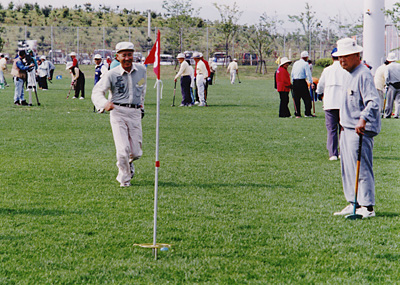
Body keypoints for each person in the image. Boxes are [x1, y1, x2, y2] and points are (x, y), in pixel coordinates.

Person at [332, 38, 381, 218]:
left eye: (345, 57)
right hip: (346, 129)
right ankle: (354, 202)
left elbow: (373, 102)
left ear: (356, 55)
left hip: (359, 130)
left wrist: (363, 118)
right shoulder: (349, 74)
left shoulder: (363, 74)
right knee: (348, 168)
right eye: (339, 57)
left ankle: (367, 206)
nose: (342, 61)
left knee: (362, 169)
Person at [91, 42, 146, 187]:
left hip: (135, 112)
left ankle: (129, 164)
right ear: (118, 57)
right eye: (124, 55)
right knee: (122, 150)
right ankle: (124, 180)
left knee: (135, 153)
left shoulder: (141, 71)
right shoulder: (112, 74)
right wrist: (104, 104)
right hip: (118, 112)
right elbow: (97, 91)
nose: (127, 58)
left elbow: (141, 89)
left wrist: (142, 107)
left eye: (130, 54)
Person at [316, 48, 349, 161]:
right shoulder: (345, 70)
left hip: (330, 102)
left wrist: (319, 93)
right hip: (343, 103)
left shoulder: (327, 70)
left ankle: (333, 154)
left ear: (331, 57)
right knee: (343, 129)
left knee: (331, 129)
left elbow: (320, 85)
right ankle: (342, 152)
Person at [291, 51, 314, 118]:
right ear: (306, 57)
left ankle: (297, 114)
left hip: (295, 82)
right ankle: (307, 113)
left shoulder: (295, 63)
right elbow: (308, 74)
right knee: (307, 98)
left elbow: (292, 73)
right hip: (302, 82)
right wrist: (311, 82)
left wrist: (292, 82)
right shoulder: (305, 64)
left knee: (296, 99)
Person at [383, 52, 400, 119]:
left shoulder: (388, 67)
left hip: (392, 85)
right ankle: (396, 114)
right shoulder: (399, 65)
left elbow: (386, 76)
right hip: (399, 84)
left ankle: (388, 114)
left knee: (389, 101)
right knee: (398, 101)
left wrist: (386, 84)